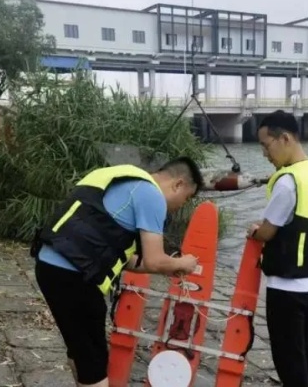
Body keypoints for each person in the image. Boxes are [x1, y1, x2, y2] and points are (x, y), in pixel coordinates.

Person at [29, 157, 204, 387]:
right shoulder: (152, 196)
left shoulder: (124, 180)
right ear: (178, 184)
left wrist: (168, 269)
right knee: (95, 363)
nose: (182, 204)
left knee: (82, 351)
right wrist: (183, 263)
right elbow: (154, 260)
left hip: (51, 265)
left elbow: (126, 260)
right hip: (74, 277)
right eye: (187, 198)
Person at [247, 110, 308, 387]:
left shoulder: (288, 182)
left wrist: (255, 231)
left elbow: (267, 231)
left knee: (288, 357)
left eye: (266, 145)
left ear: (284, 138)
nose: (265, 154)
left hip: (286, 285)